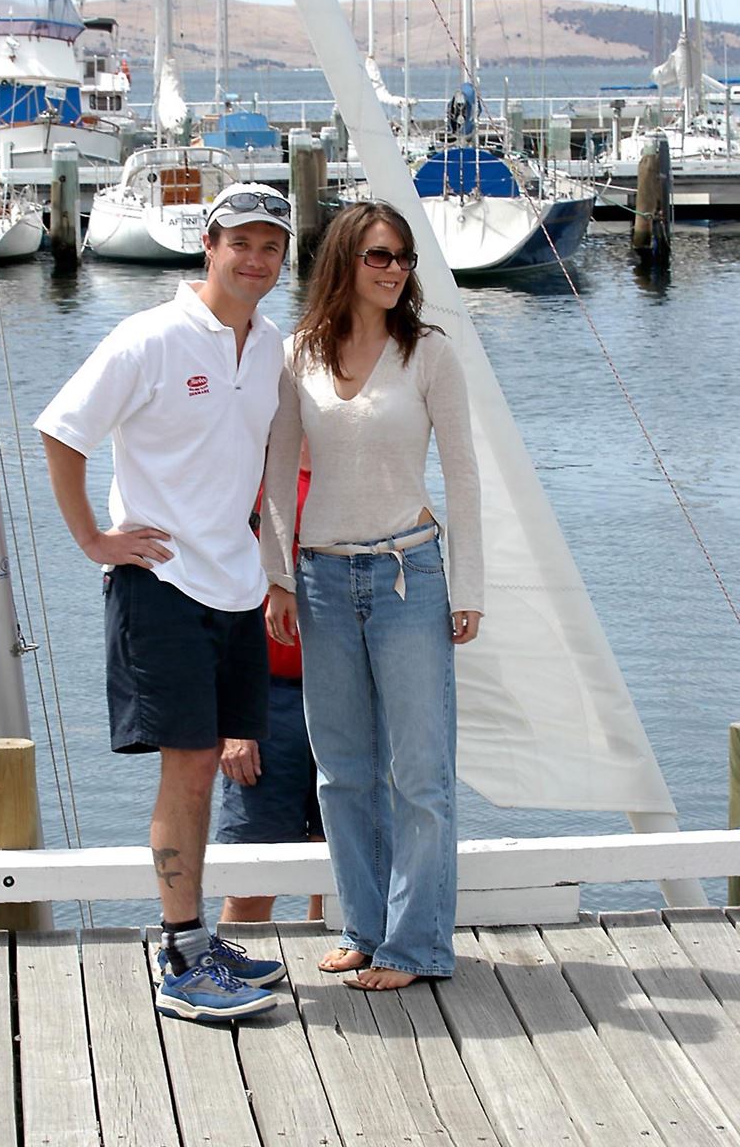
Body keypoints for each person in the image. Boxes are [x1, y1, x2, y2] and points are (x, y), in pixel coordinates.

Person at [35, 182, 293, 1023]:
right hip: (161, 585)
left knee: (207, 767)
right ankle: (180, 956)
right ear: (208, 245)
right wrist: (94, 541)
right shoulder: (148, 337)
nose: (254, 260)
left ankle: (198, 941)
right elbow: (62, 429)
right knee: (185, 772)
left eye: (271, 246)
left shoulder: (271, 349)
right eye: (240, 243)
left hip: (237, 587)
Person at [261, 200, 483, 992]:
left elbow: (462, 476)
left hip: (408, 574)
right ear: (345, 263)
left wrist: (469, 587)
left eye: (404, 259)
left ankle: (417, 946)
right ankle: (365, 928)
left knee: (420, 772)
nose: (394, 271)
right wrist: (277, 574)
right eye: (380, 257)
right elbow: (280, 472)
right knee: (342, 771)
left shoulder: (428, 354)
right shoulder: (298, 355)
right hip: (319, 579)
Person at [217, 441, 325, 923]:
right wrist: (232, 722)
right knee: (252, 872)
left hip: (349, 698)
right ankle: (231, 966)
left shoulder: (366, 478)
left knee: (341, 867)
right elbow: (216, 604)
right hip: (265, 701)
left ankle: (340, 972)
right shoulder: (245, 485)